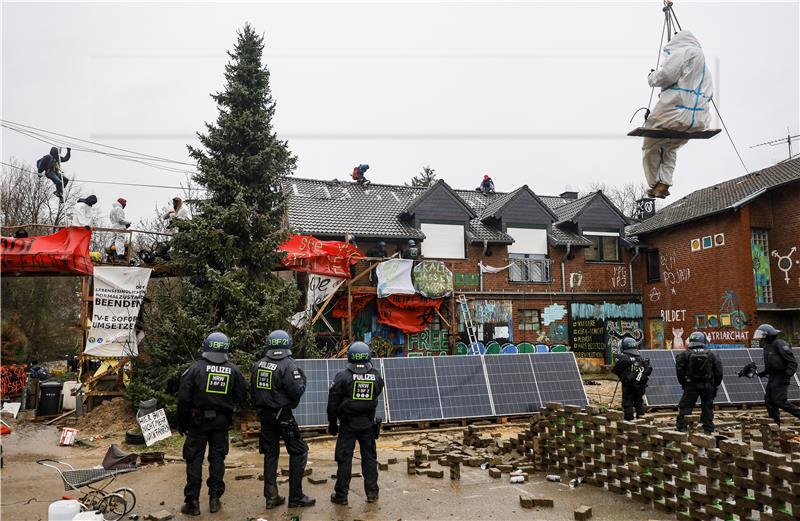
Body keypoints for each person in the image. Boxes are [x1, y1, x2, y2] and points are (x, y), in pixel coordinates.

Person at [177, 332, 247, 516]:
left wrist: (181, 423)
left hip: (197, 422)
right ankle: (215, 499)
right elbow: (242, 397)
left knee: (194, 460)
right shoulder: (234, 370)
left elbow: (183, 399)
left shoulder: (194, 370)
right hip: (221, 423)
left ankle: (192, 503)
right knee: (217, 460)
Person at [642, 30, 713, 199]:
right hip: (697, 121)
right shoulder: (704, 68)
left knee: (650, 147)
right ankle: (664, 183)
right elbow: (709, 94)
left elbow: (666, 75)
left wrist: (652, 77)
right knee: (670, 147)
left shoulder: (682, 52)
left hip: (672, 114)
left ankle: (654, 184)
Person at [251, 330, 315, 510]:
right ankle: (296, 497)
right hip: (283, 417)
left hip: (265, 418)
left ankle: (271, 497)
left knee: (271, 454)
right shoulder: (288, 365)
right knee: (299, 451)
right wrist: (303, 380)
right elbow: (296, 391)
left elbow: (253, 394)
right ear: (287, 344)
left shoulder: (259, 365)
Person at [328, 342, 385, 506]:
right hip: (367, 424)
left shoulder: (342, 376)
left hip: (348, 426)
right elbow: (377, 392)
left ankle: (341, 496)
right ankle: (372, 493)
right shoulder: (376, 376)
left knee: (344, 459)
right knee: (369, 459)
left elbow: (332, 404)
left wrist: (332, 424)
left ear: (350, 357)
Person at [675, 331, 723, 433]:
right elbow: (719, 372)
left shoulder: (684, 354)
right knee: (707, 406)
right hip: (707, 385)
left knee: (686, 406)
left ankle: (682, 428)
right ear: (703, 340)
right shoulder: (712, 354)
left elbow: (679, 372)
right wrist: (714, 385)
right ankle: (708, 429)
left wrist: (684, 383)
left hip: (691, 385)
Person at [753, 324, 800, 426]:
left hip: (782, 376)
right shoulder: (767, 347)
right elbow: (771, 365)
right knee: (769, 401)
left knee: (779, 401)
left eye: (763, 336)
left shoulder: (780, 344)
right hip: (772, 376)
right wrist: (763, 373)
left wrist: (787, 376)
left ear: (768, 334)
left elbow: (792, 363)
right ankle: (775, 425)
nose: (761, 339)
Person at [611, 337, 652, 421]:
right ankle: (642, 422)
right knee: (639, 403)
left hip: (628, 386)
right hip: (640, 385)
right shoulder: (640, 358)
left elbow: (615, 370)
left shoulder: (624, 358)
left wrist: (623, 375)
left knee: (627, 403)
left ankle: (629, 423)